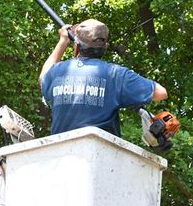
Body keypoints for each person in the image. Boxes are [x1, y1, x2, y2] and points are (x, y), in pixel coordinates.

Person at [39, 19, 168, 137]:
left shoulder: (57, 72)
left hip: (62, 151)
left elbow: (43, 79)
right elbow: (161, 93)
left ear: (77, 46)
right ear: (105, 47)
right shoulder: (116, 74)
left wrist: (62, 41)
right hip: (102, 152)